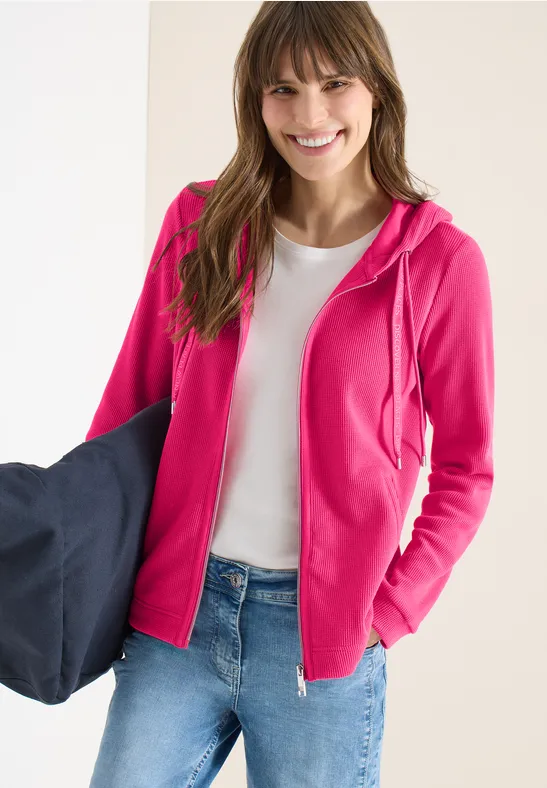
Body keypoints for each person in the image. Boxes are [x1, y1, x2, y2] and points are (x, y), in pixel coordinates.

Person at [87, 2, 494, 786]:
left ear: (375, 89)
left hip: (321, 642)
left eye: (333, 83)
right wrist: (82, 558)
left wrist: (387, 612)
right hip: (175, 614)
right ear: (255, 100)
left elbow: (466, 469)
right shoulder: (200, 223)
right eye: (283, 89)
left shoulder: (437, 262)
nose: (309, 115)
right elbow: (128, 407)